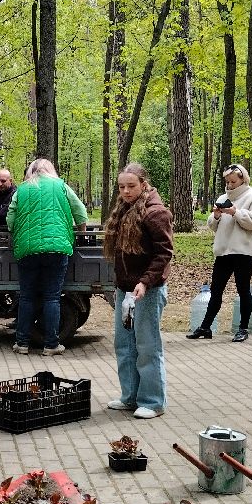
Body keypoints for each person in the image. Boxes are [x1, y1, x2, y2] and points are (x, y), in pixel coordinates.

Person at [103, 163, 173, 419]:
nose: (126, 191)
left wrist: (145, 281)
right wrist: (121, 285)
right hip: (125, 291)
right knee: (124, 345)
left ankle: (153, 401)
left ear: (144, 184)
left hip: (148, 290)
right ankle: (130, 396)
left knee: (147, 346)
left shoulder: (156, 213)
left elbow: (164, 254)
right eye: (122, 187)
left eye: (131, 186)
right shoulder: (123, 210)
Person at [6, 159, 88, 356]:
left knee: (27, 297)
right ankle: (51, 345)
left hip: (27, 250)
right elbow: (81, 212)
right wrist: (81, 235)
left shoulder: (22, 190)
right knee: (52, 297)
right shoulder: (61, 186)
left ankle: (22, 343)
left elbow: (10, 219)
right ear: (51, 170)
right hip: (57, 248)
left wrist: (17, 234)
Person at [187, 163, 252, 343]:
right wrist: (216, 215)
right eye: (228, 182)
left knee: (243, 289)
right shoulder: (223, 197)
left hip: (244, 251)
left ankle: (243, 328)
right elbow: (213, 226)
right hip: (224, 251)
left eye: (233, 181)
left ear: (243, 179)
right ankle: (206, 327)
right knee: (216, 290)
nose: (230, 185)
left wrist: (236, 212)